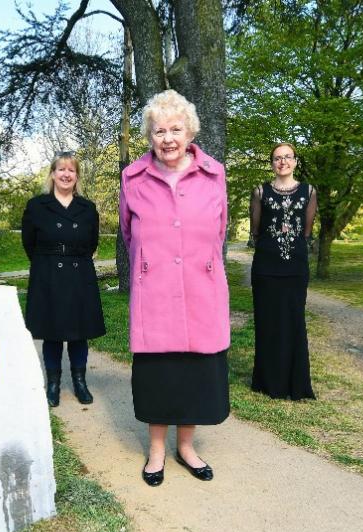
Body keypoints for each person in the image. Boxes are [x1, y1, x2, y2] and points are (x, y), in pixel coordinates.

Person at [119, 89, 230, 487]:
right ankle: (156, 451)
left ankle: (186, 447)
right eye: (159, 130)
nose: (168, 138)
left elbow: (220, 231)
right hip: (156, 292)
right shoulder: (132, 179)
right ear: (150, 136)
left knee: (196, 374)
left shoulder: (215, 175)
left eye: (175, 129)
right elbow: (130, 234)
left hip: (202, 289)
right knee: (158, 374)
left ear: (190, 133)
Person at [22, 152, 106, 407]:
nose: (66, 174)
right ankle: (54, 384)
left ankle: (80, 382)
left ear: (77, 176)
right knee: (53, 333)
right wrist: (47, 262)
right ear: (53, 174)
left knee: (79, 333)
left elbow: (92, 242)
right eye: (61, 169)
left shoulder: (88, 208)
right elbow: (29, 243)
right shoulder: (37, 206)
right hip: (48, 274)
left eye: (72, 170)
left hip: (80, 274)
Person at [249, 142, 317, 400]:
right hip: (266, 268)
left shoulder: (309, 191)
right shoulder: (260, 191)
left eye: (288, 157)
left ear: (295, 161)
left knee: (294, 322)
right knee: (267, 322)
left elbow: (306, 231)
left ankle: (296, 383)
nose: (283, 162)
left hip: (295, 268)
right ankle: (268, 382)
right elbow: (256, 231)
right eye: (277, 158)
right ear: (272, 163)